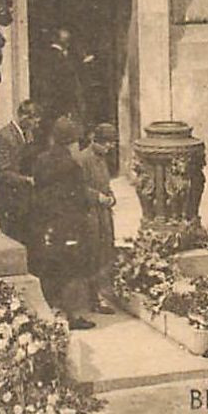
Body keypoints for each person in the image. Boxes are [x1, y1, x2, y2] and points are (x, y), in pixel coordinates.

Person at [31, 116, 98, 330]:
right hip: (69, 226)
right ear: (71, 142)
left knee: (50, 269)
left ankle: (54, 311)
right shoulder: (72, 167)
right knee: (71, 271)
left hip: (45, 224)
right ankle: (72, 316)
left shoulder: (41, 160)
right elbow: (79, 199)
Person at [71, 123, 120, 314]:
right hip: (89, 214)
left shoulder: (101, 158)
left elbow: (105, 183)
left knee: (104, 253)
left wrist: (111, 196)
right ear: (96, 141)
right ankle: (92, 299)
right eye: (107, 144)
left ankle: (99, 296)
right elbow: (77, 187)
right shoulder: (83, 159)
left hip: (103, 214)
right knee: (92, 255)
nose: (110, 148)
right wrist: (97, 197)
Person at [0, 99, 42, 244]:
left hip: (22, 199)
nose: (37, 125)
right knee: (12, 239)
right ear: (24, 118)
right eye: (35, 121)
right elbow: (3, 173)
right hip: (7, 199)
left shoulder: (27, 134)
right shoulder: (3, 137)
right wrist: (28, 180)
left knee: (25, 238)